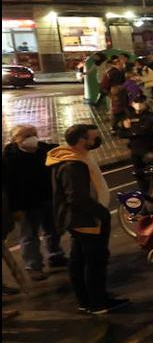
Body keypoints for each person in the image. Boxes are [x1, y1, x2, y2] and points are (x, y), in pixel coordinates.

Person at [48, 124, 128, 314]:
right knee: (94, 261)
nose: (97, 140)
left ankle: (87, 299)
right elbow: (76, 197)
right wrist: (100, 212)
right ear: (82, 140)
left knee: (80, 259)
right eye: (93, 137)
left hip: (85, 219)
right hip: (87, 220)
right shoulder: (72, 165)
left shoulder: (77, 158)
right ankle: (98, 302)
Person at [3, 126, 67, 280]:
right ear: (15, 140)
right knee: (29, 235)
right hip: (26, 204)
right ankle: (33, 266)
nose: (31, 138)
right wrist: (15, 208)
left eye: (33, 134)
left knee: (53, 229)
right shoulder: (8, 158)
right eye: (25, 135)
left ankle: (55, 255)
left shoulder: (45, 150)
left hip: (47, 198)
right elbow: (9, 186)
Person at [117, 95, 153, 191]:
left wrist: (129, 129)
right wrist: (129, 131)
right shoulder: (130, 117)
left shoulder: (151, 117)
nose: (138, 105)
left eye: (141, 102)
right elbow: (121, 133)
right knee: (139, 174)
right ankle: (144, 192)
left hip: (148, 149)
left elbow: (144, 131)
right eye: (136, 102)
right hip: (135, 150)